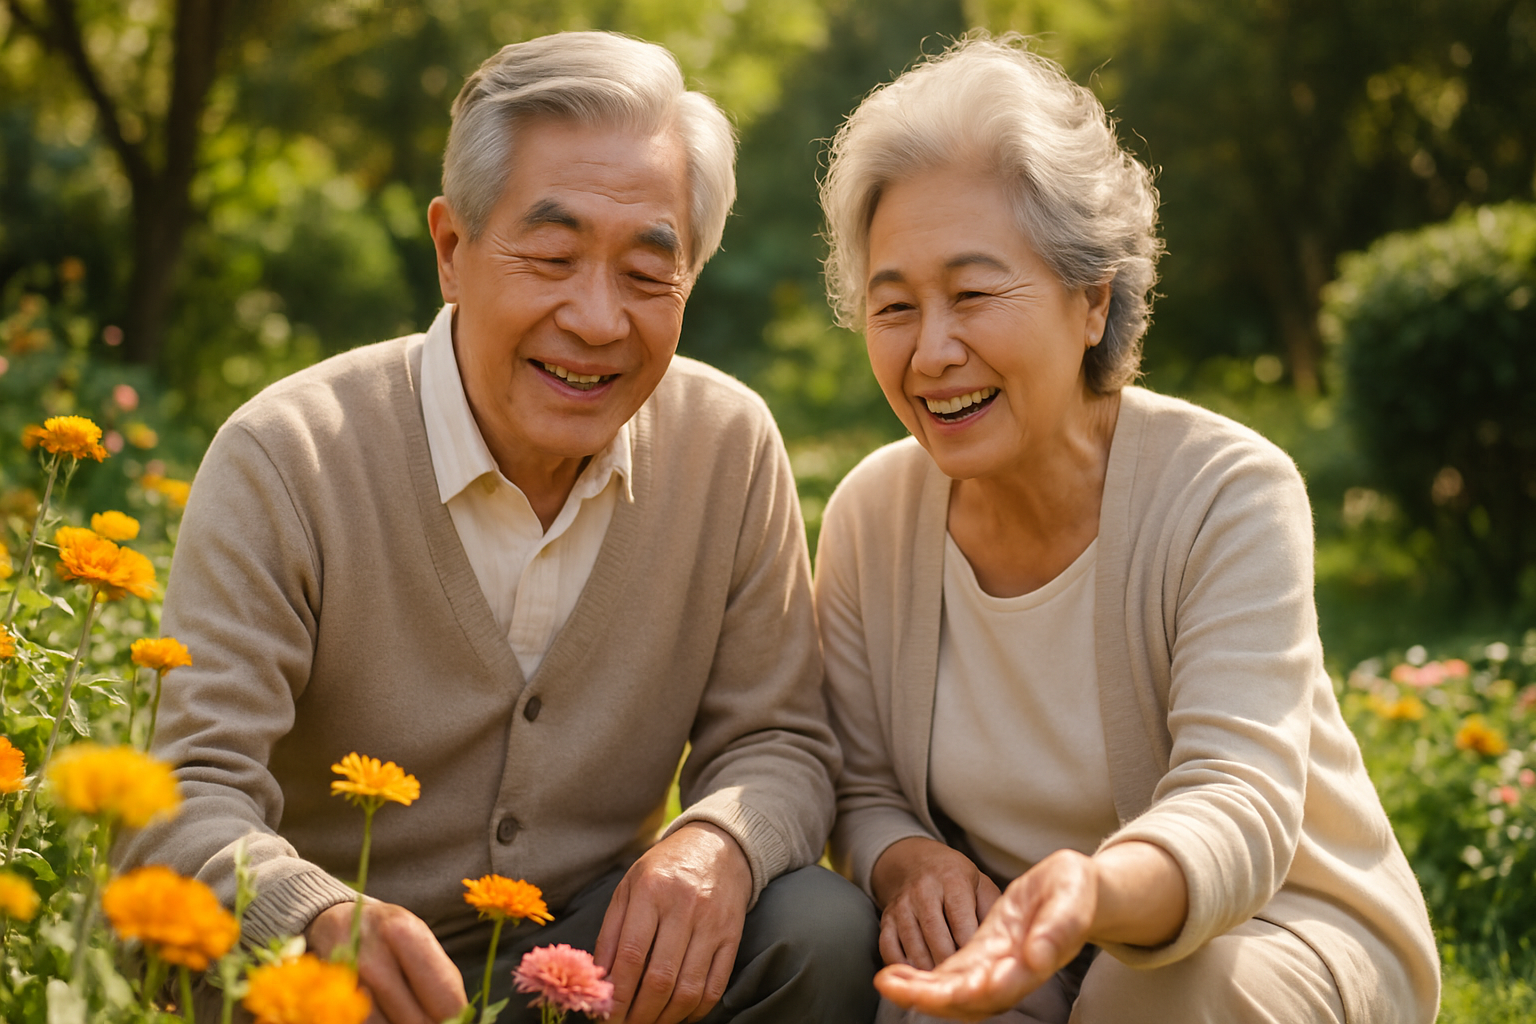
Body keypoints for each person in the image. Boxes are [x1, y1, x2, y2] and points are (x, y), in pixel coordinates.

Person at [119, 31, 880, 1024]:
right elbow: (184, 791)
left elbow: (779, 739)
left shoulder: (726, 446)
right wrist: (315, 915)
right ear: (451, 249)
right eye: (553, 256)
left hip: (586, 975)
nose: (598, 319)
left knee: (815, 923)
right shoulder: (288, 456)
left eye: (649, 274)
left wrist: (717, 844)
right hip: (327, 984)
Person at [812, 34, 1439, 1024]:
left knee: (1146, 988)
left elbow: (1240, 798)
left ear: (1091, 297)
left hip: (1274, 925)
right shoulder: (868, 519)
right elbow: (863, 783)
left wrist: (1091, 895)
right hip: (1025, 940)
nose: (933, 350)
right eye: (896, 306)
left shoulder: (1226, 490)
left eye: (974, 294)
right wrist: (909, 861)